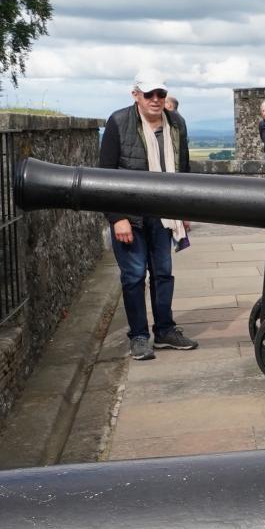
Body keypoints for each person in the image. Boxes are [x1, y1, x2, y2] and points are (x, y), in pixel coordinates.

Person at [98, 71, 200, 360]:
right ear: (136, 95)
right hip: (130, 214)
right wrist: (116, 217)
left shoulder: (176, 123)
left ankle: (165, 330)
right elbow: (104, 175)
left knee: (163, 274)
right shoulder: (118, 122)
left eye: (161, 94)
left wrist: (185, 211)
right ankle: (139, 336)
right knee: (133, 276)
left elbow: (183, 168)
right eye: (149, 94)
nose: (156, 99)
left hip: (164, 212)